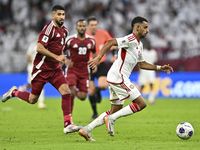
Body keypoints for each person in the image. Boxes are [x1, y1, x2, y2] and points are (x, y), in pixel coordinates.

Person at [78, 16, 173, 141]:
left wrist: (160, 68)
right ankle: (111, 119)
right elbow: (110, 42)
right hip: (119, 77)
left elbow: (142, 64)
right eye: (145, 27)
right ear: (137, 28)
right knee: (141, 103)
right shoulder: (130, 39)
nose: (147, 30)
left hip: (114, 77)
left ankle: (86, 129)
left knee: (115, 110)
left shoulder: (139, 44)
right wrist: (98, 57)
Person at [2, 5, 82, 134]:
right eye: (59, 14)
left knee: (66, 92)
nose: (62, 17)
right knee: (33, 99)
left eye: (63, 14)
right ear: (53, 16)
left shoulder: (65, 31)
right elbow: (39, 48)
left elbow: (58, 48)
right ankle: (14, 92)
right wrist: (56, 57)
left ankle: (68, 124)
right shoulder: (48, 29)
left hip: (55, 69)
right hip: (41, 69)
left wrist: (62, 60)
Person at [86, 16, 117, 119]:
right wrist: (92, 63)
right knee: (91, 91)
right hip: (88, 64)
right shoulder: (84, 36)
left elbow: (112, 43)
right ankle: (94, 112)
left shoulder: (103, 33)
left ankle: (98, 90)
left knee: (103, 86)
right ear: (88, 26)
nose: (94, 27)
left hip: (101, 63)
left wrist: (114, 54)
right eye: (92, 25)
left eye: (95, 25)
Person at [64, 19, 97, 113]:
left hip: (84, 70)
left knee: (83, 97)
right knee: (72, 90)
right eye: (80, 26)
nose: (82, 28)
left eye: (83, 26)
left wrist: (94, 64)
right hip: (72, 69)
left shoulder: (91, 40)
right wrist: (66, 59)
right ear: (76, 28)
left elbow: (94, 52)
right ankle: (69, 116)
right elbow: (61, 51)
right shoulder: (70, 40)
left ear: (86, 28)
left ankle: (74, 92)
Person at [18, 39, 46, 109]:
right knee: (37, 84)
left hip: (39, 68)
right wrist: (34, 64)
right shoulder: (33, 45)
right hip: (32, 68)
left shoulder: (45, 46)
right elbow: (28, 56)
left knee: (35, 84)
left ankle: (22, 89)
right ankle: (41, 104)